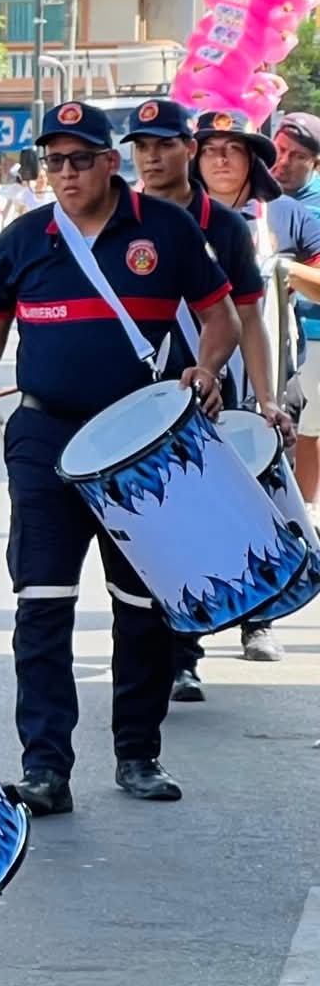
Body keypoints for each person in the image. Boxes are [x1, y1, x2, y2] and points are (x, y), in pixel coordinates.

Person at [0, 102, 238, 815]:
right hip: (45, 440)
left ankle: (138, 754)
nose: (66, 174)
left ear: (109, 162)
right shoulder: (25, 239)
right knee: (41, 606)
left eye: (79, 159)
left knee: (141, 606)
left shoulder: (165, 230)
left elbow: (220, 316)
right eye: (54, 161)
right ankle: (45, 769)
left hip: (141, 449)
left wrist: (206, 366)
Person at [120, 100, 284, 700]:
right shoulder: (118, 221)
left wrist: (266, 399)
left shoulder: (226, 227)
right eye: (142, 147)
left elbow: (251, 317)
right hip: (143, 396)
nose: (152, 158)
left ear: (183, 151)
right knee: (161, 528)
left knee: (226, 514)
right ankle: (178, 653)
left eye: (164, 145)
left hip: (216, 391)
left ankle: (254, 614)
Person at [191, 108, 320, 663]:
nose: (221, 159)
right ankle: (184, 643)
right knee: (189, 506)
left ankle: (258, 618)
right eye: (210, 149)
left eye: (234, 149)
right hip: (187, 378)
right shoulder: (169, 215)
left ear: (253, 160)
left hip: (264, 381)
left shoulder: (285, 214)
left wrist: (291, 273)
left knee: (260, 502)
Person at [272, 111, 320, 502]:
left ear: (315, 163)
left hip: (315, 335)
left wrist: (282, 269)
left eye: (298, 156)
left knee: (310, 428)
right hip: (268, 341)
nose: (284, 162)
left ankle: (305, 514)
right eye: (280, 150)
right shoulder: (255, 196)